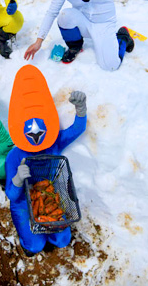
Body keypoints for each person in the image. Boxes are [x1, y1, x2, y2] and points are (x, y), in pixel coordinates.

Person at [6, 90, 87, 256]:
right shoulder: (14, 156)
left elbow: (77, 129)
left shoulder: (53, 142)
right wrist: (18, 179)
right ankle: (28, 240)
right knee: (34, 246)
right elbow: (12, 196)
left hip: (48, 194)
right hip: (22, 200)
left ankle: (47, 235)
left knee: (63, 240)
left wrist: (81, 110)